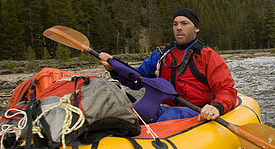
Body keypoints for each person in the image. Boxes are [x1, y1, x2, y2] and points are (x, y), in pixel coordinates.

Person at [99, 8, 237, 122]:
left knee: (170, 116)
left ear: (196, 28)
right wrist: (114, 67)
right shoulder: (162, 54)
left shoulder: (208, 56)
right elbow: (136, 80)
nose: (178, 28)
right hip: (163, 108)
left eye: (184, 24)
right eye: (175, 24)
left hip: (195, 110)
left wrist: (216, 107)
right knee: (129, 116)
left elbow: (227, 89)